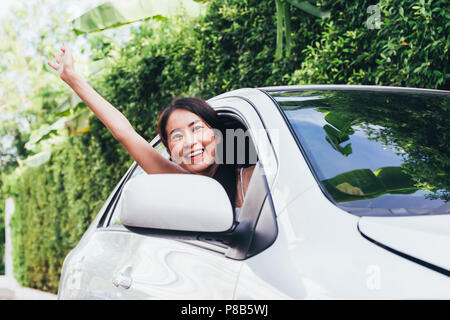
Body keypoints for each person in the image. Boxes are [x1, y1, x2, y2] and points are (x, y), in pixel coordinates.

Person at [48, 43, 255, 215]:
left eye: (197, 128)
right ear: (170, 152)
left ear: (217, 136)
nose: (190, 142)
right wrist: (72, 78)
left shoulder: (254, 179)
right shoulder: (182, 183)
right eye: (176, 136)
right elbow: (125, 133)